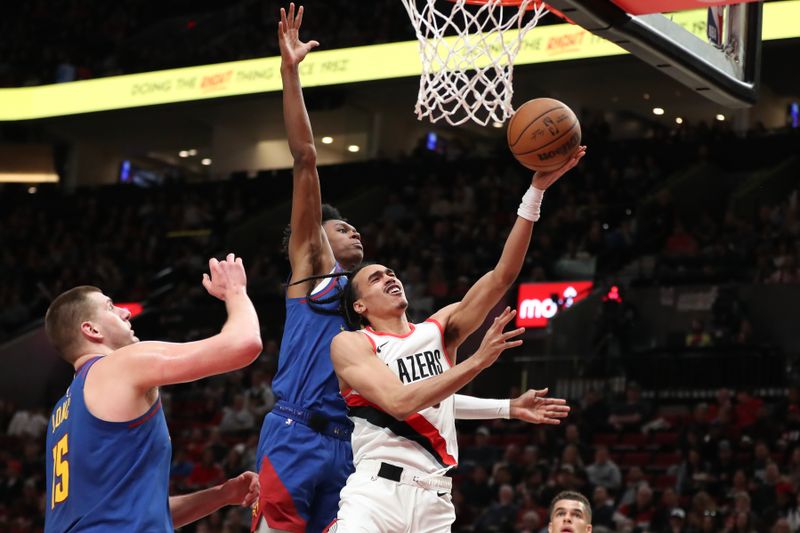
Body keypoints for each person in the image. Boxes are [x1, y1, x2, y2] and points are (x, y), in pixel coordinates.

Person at [253, 4, 578, 532]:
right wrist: (290, 74)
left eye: (358, 230)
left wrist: (505, 408)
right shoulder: (315, 274)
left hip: (357, 447)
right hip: (299, 435)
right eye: (341, 228)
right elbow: (306, 157)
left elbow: (431, 389)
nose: (352, 231)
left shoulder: (399, 333)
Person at [329, 147, 583, 530]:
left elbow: (501, 277)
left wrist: (535, 193)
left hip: (435, 500)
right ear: (360, 306)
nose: (390, 278)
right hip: (377, 494)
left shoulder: (438, 329)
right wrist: (477, 361)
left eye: (392, 272)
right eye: (376, 278)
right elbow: (400, 403)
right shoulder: (351, 344)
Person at [44, 254, 262, 531]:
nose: (125, 311)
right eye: (111, 307)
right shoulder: (120, 364)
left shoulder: (60, 414)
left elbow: (130, 512)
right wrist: (236, 292)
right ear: (91, 329)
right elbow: (244, 345)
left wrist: (221, 495)